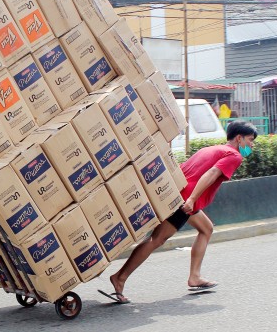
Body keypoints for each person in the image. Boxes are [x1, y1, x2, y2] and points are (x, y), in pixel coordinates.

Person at [102, 120, 258, 303]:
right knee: (157, 239)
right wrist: (191, 199)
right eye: (249, 140)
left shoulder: (212, 149)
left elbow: (186, 169)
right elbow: (211, 174)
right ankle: (120, 278)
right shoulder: (234, 156)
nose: (251, 145)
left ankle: (195, 277)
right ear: (239, 138)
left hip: (179, 193)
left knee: (206, 229)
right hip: (186, 200)